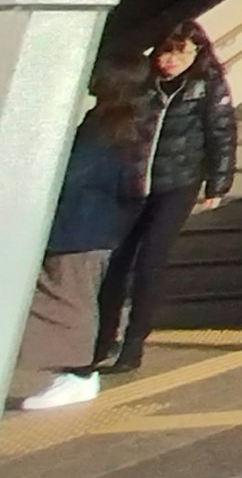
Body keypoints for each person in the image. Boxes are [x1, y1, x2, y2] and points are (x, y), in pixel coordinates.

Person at [95, 19, 234, 377]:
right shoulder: (142, 83)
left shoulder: (207, 87)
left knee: (150, 259)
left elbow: (221, 133)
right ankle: (102, 338)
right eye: (165, 52)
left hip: (178, 181)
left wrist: (217, 183)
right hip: (135, 181)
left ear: (197, 53)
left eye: (180, 53)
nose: (169, 61)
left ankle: (133, 345)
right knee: (117, 260)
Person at [15, 68, 142, 413]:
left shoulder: (101, 128)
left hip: (78, 228)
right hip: (95, 227)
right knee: (69, 299)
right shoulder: (122, 125)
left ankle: (79, 373)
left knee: (70, 301)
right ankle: (73, 370)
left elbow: (70, 175)